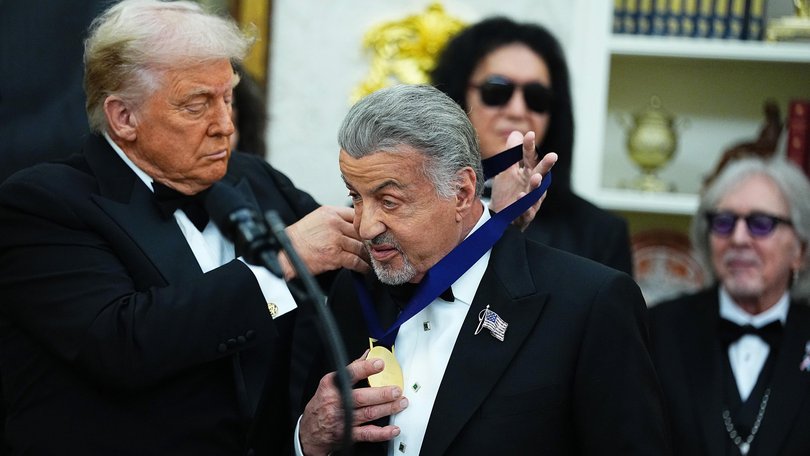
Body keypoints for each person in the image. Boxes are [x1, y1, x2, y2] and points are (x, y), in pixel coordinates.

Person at [0, 1, 367, 454]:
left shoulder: (254, 179)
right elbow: (121, 343)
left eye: (228, 98)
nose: (225, 126)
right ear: (124, 117)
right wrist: (280, 261)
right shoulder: (42, 202)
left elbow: (351, 270)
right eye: (197, 105)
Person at [295, 84, 671, 456]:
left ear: (461, 192)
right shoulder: (354, 288)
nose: (365, 227)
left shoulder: (589, 304)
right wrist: (307, 441)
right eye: (356, 197)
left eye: (389, 201)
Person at [431, 16, 634, 275]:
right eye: (497, 91)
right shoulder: (405, 210)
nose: (517, 110)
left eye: (536, 97)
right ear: (457, 96)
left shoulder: (600, 234)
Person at [649, 156, 810, 456]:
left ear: (800, 249)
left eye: (760, 224)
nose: (738, 238)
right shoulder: (659, 329)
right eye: (723, 222)